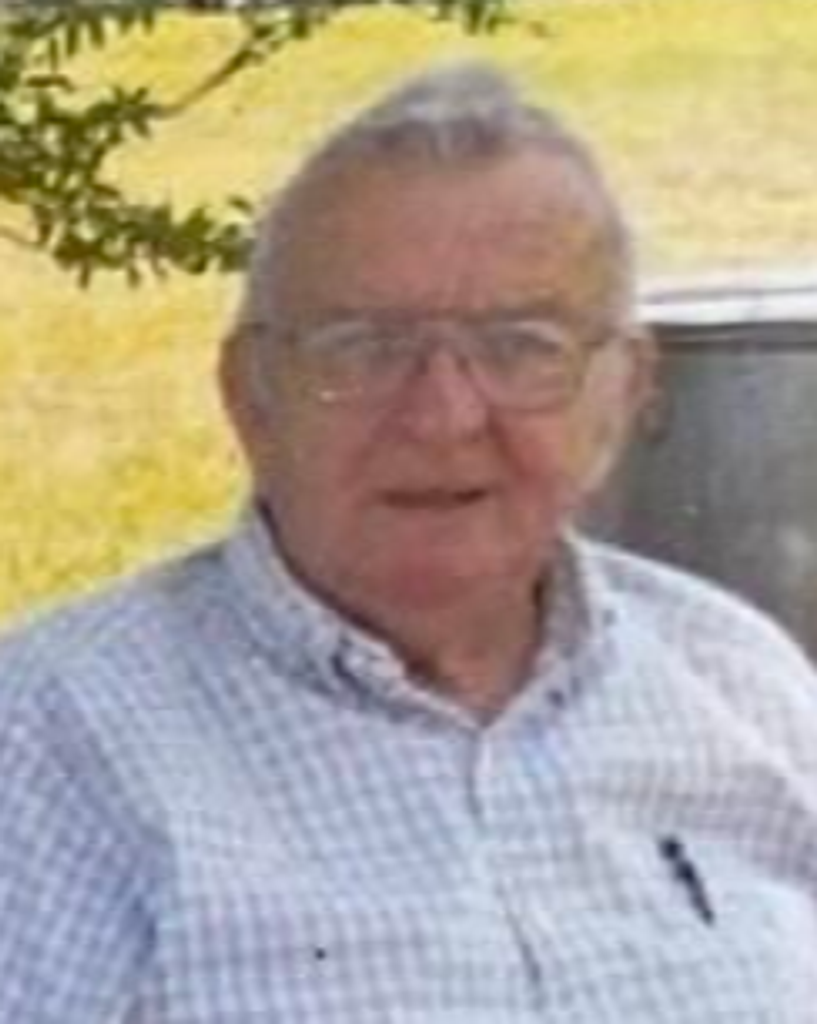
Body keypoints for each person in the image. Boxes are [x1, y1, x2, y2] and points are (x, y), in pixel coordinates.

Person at [2, 60, 817, 1024]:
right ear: (250, 394)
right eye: (362, 349)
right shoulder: (51, 742)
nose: (442, 415)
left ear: (625, 391)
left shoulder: (738, 682)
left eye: (521, 347)